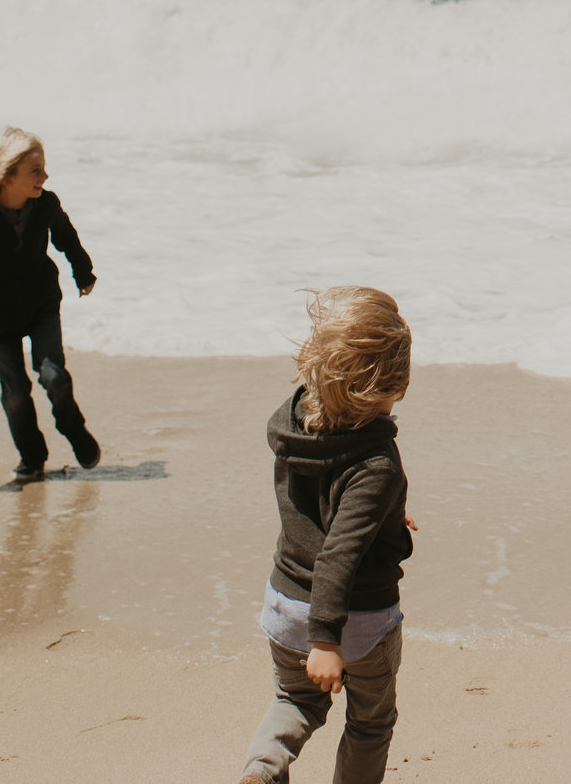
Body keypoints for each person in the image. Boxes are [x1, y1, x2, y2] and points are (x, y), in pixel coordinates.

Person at [239, 286, 418, 784]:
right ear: (391, 384)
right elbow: (339, 552)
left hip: (284, 604)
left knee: (294, 700)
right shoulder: (376, 463)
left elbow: (326, 508)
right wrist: (326, 640)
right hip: (353, 621)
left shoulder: (293, 427)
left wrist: (385, 514)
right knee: (370, 721)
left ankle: (263, 768)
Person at [0, 127, 102, 482]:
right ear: (9, 176)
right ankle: (32, 457)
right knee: (15, 395)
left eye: (44, 168)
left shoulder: (45, 205)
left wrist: (83, 271)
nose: (45, 176)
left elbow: (66, 237)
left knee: (53, 375)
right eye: (36, 170)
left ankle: (73, 428)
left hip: (41, 304)